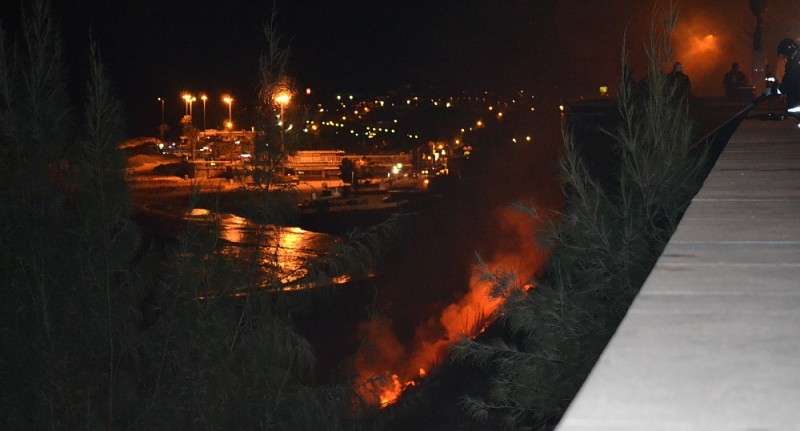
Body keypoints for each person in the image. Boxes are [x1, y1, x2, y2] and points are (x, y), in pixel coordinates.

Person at [777, 38, 800, 117]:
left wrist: (776, 90)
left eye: (785, 55)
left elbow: (789, 80)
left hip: (796, 104)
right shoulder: (796, 61)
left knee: (795, 122)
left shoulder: (794, 64)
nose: (785, 57)